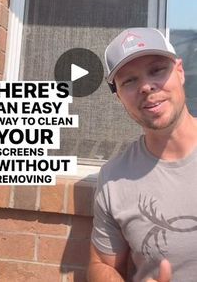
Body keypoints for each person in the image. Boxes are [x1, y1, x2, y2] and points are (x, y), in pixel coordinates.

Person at [87, 27, 197, 282]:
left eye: (157, 70)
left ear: (179, 71)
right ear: (118, 97)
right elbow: (101, 265)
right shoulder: (115, 178)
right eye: (129, 81)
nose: (146, 86)